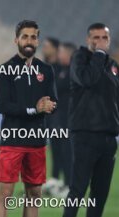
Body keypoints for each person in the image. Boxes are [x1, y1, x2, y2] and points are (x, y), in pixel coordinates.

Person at [57, 23, 119, 217]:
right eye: (96, 37)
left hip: (108, 137)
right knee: (78, 187)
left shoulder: (113, 65)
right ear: (88, 39)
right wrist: (98, 54)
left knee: (100, 190)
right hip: (84, 134)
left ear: (109, 39)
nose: (100, 41)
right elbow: (86, 80)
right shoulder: (80, 59)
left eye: (104, 38)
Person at [0, 20, 57, 217]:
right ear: (16, 40)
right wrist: (34, 108)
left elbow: (53, 101)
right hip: (12, 139)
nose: (29, 41)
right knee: (6, 195)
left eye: (33, 37)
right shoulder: (6, 70)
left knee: (35, 193)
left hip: (37, 141)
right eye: (25, 37)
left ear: (38, 41)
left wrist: (50, 106)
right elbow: (3, 106)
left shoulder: (46, 70)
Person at [42, 37, 69, 198]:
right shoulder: (43, 67)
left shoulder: (62, 69)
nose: (44, 48)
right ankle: (54, 180)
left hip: (62, 115)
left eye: (47, 46)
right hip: (48, 116)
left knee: (64, 149)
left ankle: (66, 183)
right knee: (54, 148)